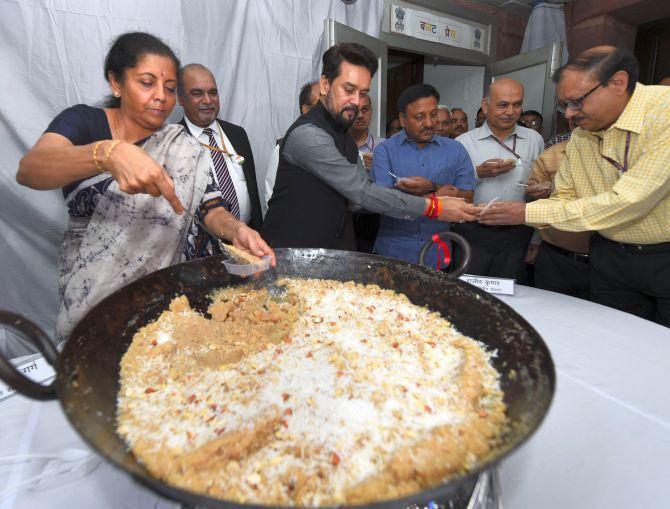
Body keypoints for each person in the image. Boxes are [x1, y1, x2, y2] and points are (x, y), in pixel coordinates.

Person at [15, 32, 273, 340]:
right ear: (116, 82)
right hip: (94, 303)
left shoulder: (181, 146)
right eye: (147, 83)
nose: (161, 96)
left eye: (169, 87)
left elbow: (211, 208)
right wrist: (108, 154)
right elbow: (29, 170)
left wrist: (236, 230)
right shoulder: (84, 122)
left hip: (164, 302)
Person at [478, 46, 670, 326]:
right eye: (564, 105)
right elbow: (564, 195)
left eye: (577, 102)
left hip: (664, 256)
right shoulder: (582, 135)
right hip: (608, 255)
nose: (569, 114)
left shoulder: (663, 115)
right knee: (615, 338)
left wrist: (525, 213)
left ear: (618, 83)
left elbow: (629, 201)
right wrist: (519, 210)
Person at [262, 43, 476, 249]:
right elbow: (362, 192)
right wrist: (434, 206)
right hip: (289, 254)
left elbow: (359, 202)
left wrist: (430, 193)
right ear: (325, 85)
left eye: (363, 93)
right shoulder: (307, 135)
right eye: (348, 89)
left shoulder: (343, 134)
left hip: (328, 252)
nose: (356, 101)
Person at [372, 84, 475, 267]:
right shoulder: (384, 151)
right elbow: (382, 203)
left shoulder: (456, 150)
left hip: (437, 255)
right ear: (402, 119)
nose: (429, 123)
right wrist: (434, 200)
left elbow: (467, 198)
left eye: (433, 114)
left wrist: (432, 187)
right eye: (420, 117)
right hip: (393, 255)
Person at [454, 78, 544, 283]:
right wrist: (477, 173)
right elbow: (449, 190)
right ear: (486, 106)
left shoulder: (534, 140)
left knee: (516, 297)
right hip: (473, 233)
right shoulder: (463, 143)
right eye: (503, 105)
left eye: (517, 104)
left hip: (518, 235)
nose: (510, 112)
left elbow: (539, 193)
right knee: (469, 294)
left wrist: (537, 238)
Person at [177, 63, 263, 232]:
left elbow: (253, 195)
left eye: (213, 92)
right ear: (181, 98)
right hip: (202, 251)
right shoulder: (175, 144)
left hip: (247, 244)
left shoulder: (237, 134)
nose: (208, 100)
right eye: (197, 93)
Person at [525, 138, 591, 299]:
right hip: (555, 256)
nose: (571, 114)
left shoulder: (622, 152)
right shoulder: (551, 155)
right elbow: (535, 200)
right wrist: (536, 239)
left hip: (604, 256)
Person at [263, 81, 319, 214]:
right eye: (321, 105)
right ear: (306, 109)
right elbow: (271, 197)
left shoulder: (341, 144)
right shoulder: (283, 148)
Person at [350, 95, 384, 252]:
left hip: (375, 218)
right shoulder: (334, 146)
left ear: (371, 112)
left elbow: (399, 183)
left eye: (364, 110)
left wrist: (377, 168)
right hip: (343, 218)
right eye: (354, 111)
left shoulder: (384, 147)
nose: (360, 115)